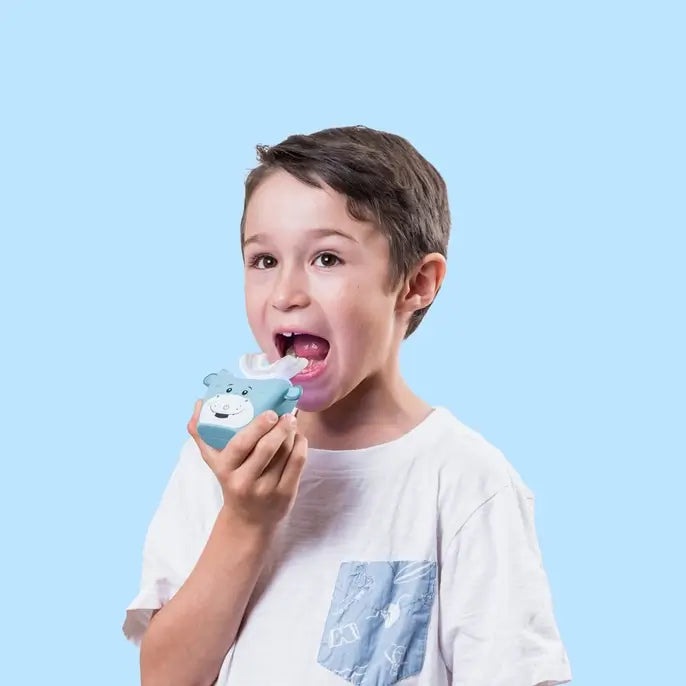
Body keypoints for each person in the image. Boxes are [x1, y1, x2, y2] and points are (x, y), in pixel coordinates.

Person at [123, 125, 573, 686]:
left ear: (416, 283)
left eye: (327, 258)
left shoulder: (464, 483)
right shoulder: (220, 457)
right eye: (263, 260)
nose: (286, 292)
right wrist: (244, 520)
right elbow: (165, 678)